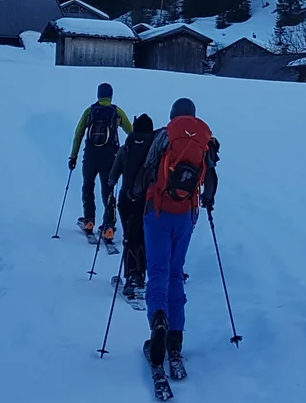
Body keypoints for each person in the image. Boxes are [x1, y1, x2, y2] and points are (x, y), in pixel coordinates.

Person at [141, 97, 219, 387]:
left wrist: (137, 195)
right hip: (186, 214)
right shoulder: (206, 140)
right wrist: (208, 202)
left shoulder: (164, 135)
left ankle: (158, 323)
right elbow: (211, 177)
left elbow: (147, 171)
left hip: (157, 211)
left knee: (158, 272)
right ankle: (176, 338)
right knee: (176, 272)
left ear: (173, 115)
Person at [68, 83, 131, 242]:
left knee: (88, 187)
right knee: (108, 191)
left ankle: (89, 221)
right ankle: (109, 227)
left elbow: (78, 134)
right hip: (110, 158)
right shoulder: (117, 112)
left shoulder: (89, 111)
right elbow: (131, 132)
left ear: (98, 95)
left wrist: (73, 157)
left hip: (90, 156)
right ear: (111, 95)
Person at [113, 112, 155, 301]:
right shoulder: (155, 149)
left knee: (130, 237)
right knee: (145, 237)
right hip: (148, 201)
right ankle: (144, 275)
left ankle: (132, 276)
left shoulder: (126, 147)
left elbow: (112, 177)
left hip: (126, 200)